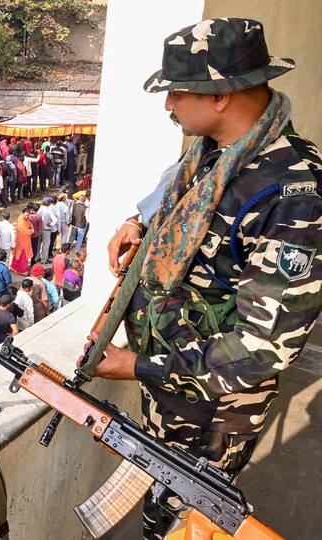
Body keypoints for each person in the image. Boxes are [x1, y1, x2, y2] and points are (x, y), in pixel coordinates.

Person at [92, 18, 322, 539]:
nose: (168, 105)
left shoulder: (295, 199)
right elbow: (176, 201)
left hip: (213, 414)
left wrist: (138, 367)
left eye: (178, 91)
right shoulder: (212, 155)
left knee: (185, 522)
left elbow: (262, 351)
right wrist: (138, 223)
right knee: (160, 503)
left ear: (220, 94)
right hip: (172, 388)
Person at [10, 207, 34, 274]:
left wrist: (31, 229)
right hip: (21, 242)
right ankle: (22, 270)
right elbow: (27, 231)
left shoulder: (26, 219)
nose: (27, 216)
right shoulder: (21, 221)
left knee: (19, 256)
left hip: (25, 241)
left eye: (28, 215)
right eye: (26, 215)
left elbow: (31, 225)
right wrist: (31, 230)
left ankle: (13, 267)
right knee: (22, 256)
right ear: (22, 213)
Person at [37, 198, 58, 264]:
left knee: (38, 244)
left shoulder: (39, 209)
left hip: (39, 229)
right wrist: (51, 224)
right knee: (45, 246)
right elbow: (55, 220)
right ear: (49, 203)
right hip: (46, 230)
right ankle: (44, 260)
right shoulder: (49, 210)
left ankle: (37, 257)